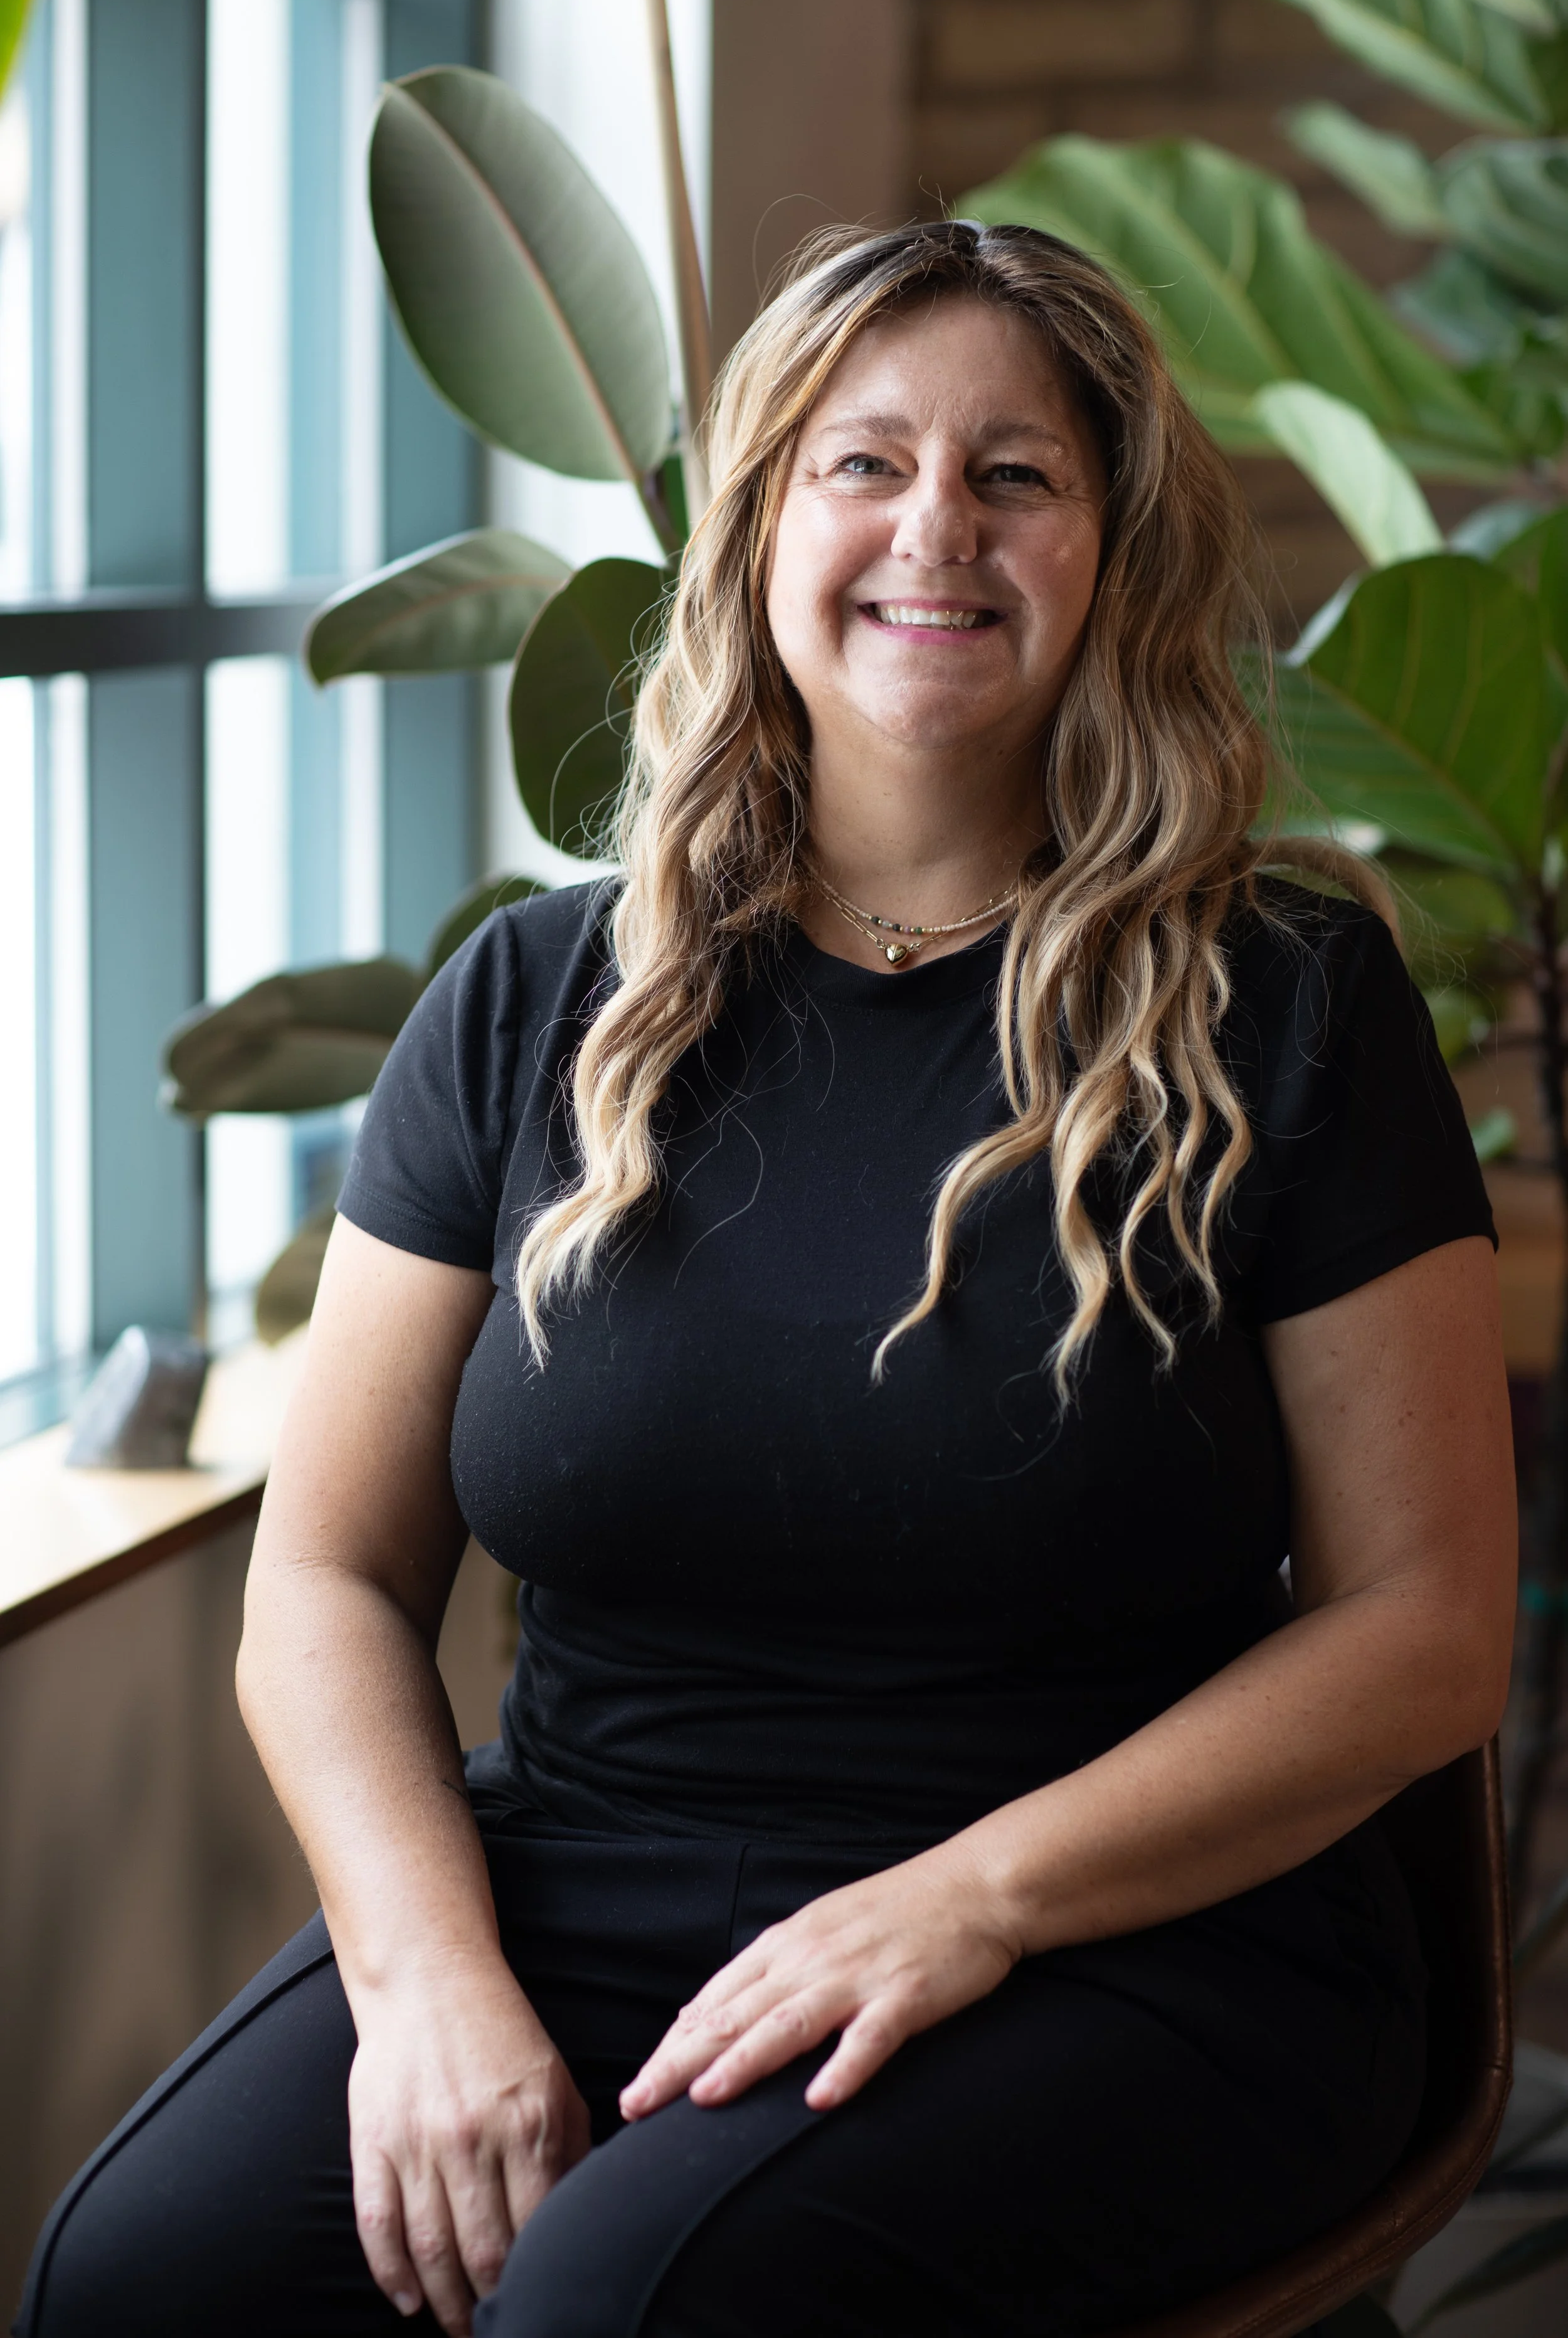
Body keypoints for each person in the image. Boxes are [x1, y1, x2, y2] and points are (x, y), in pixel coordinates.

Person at [16, 220, 1515, 2338]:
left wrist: (966, 1900)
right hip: (589, 1877)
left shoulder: (1282, 996)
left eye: (1016, 473)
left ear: (1109, 550)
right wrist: (428, 1982)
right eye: (862, 462)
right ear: (756, 530)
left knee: (629, 2302)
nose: (938, 528)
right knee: (137, 2281)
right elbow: (325, 1578)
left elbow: (1424, 1632)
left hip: (1125, 1925)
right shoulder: (535, 997)